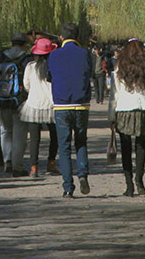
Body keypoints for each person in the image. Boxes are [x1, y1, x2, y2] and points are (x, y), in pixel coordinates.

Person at [48, 22, 93, 198]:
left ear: (60, 38)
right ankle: (83, 174)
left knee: (64, 146)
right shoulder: (85, 54)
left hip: (61, 105)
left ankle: (68, 187)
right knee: (81, 141)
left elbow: (49, 77)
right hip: (81, 104)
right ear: (78, 37)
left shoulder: (54, 55)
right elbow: (88, 73)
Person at [113, 40, 145, 196]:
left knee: (125, 148)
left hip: (124, 108)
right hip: (142, 107)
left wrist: (111, 114)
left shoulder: (120, 65)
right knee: (141, 146)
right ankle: (139, 182)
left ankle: (128, 186)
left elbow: (116, 91)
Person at [0, 32, 32, 176]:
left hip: (3, 99)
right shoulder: (27, 59)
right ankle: (17, 166)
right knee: (19, 134)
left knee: (5, 131)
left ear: (11, 43)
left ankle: (7, 161)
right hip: (21, 100)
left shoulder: (1, 57)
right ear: (24, 44)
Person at [21, 37, 58, 178]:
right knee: (54, 136)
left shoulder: (30, 66)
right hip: (52, 105)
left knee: (34, 138)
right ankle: (51, 163)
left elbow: (26, 85)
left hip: (34, 104)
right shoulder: (54, 66)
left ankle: (34, 168)